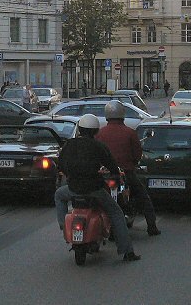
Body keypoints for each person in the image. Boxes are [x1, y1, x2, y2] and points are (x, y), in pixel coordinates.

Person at [55, 113, 139, 262]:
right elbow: (112, 165)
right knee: (116, 213)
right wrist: (113, 173)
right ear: (95, 131)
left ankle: (63, 225)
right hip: (95, 190)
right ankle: (127, 252)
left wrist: (70, 175)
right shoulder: (98, 146)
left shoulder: (69, 144)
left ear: (80, 129)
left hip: (73, 189)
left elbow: (60, 164)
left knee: (58, 195)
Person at [96, 101, 160, 236]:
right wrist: (133, 163)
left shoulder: (100, 133)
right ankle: (152, 226)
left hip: (104, 175)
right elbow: (137, 154)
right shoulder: (129, 133)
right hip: (125, 173)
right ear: (122, 114)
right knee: (143, 197)